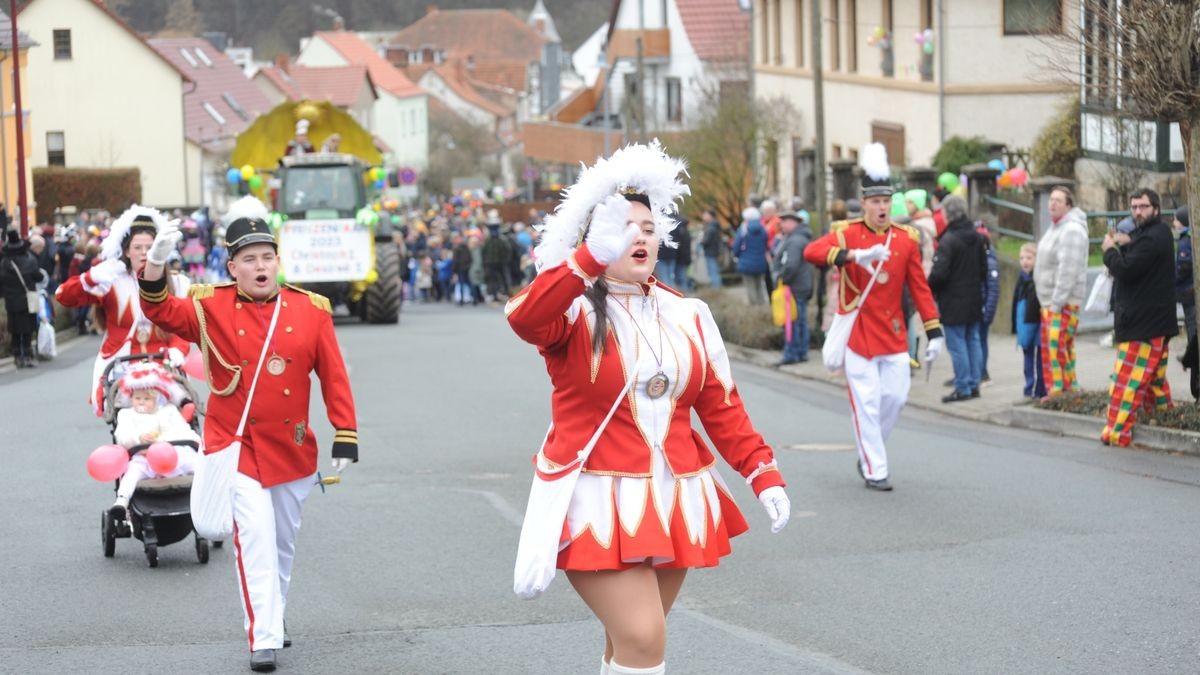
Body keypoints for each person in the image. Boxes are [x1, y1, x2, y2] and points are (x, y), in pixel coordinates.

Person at [506, 141, 790, 675]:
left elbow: (720, 404)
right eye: (624, 226)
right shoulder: (570, 308)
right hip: (595, 496)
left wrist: (762, 472)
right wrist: (586, 259)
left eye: (647, 225)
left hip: (676, 496)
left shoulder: (690, 313)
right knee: (644, 637)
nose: (639, 234)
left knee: (629, 645)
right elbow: (523, 318)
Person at [138, 196, 359, 672]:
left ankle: (272, 617)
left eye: (267, 257)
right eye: (249, 259)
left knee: (281, 542)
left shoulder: (311, 310)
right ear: (232, 266)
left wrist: (345, 432)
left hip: (293, 447)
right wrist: (156, 264)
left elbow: (334, 376)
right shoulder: (209, 306)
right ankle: (263, 636)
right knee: (254, 536)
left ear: (277, 261)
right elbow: (159, 310)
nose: (260, 266)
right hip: (234, 443)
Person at [804, 143, 943, 491]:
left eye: (886, 201)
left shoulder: (907, 239)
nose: (882, 207)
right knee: (865, 403)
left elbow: (919, 288)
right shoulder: (847, 232)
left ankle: (870, 449)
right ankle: (875, 468)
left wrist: (934, 331)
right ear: (864, 203)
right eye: (875, 202)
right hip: (859, 334)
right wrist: (853, 256)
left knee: (895, 398)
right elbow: (812, 251)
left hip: (893, 332)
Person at [55, 206, 191, 414]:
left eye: (151, 247)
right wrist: (90, 278)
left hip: (164, 365)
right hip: (121, 367)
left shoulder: (177, 283)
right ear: (127, 251)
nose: (145, 253)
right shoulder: (111, 280)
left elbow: (184, 328)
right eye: (138, 247)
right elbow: (63, 296)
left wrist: (178, 350)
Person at [1099, 188, 1177, 447]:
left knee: (1126, 381)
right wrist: (1128, 243)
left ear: (1156, 208)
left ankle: (1116, 433)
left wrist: (1109, 250)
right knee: (1154, 380)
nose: (1137, 211)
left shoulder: (1153, 237)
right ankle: (1165, 419)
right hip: (1153, 321)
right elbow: (1142, 253)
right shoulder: (1157, 234)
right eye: (1133, 207)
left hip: (1142, 323)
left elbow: (1127, 269)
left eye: (1143, 206)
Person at [109, 362, 201, 518]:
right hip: (144, 458)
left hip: (173, 456)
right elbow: (122, 436)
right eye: (137, 398)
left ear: (159, 399)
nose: (141, 402)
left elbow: (184, 431)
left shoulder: (169, 412)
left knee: (197, 463)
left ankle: (211, 494)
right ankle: (122, 501)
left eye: (147, 398)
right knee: (131, 472)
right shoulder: (127, 415)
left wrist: (188, 441)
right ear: (131, 399)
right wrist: (138, 439)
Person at [927, 195, 987, 403]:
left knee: (957, 344)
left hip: (953, 299)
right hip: (973, 297)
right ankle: (974, 384)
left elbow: (940, 274)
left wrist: (930, 286)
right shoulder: (977, 237)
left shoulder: (949, 240)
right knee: (973, 340)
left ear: (947, 214)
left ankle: (962, 386)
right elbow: (983, 269)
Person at [1034, 186, 1088, 399]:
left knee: (1057, 347)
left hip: (1063, 302)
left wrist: (1057, 302)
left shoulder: (1071, 229)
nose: (1052, 204)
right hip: (1049, 300)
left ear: (1068, 205)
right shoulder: (1056, 226)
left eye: (1058, 200)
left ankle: (1061, 390)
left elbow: (1068, 270)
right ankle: (1062, 389)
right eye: (1051, 200)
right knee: (1053, 347)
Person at [0, 228, 46, 368]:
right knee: (27, 328)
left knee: (14, 329)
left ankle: (17, 356)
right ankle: (27, 355)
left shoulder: (4, 264)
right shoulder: (29, 261)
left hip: (11, 302)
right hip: (27, 300)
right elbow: (39, 276)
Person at [772, 210, 813, 366]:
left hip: (794, 287)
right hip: (801, 285)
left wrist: (781, 277)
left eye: (783, 222)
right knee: (800, 321)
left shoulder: (794, 240)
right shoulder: (799, 238)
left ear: (792, 222)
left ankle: (791, 354)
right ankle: (801, 352)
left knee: (792, 322)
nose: (781, 225)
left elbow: (791, 265)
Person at [1012, 243, 1046, 398]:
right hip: (1025, 323)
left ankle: (1040, 389)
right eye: (1022, 258)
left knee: (1040, 358)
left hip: (1038, 322)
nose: (1025, 261)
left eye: (1029, 258)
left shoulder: (1040, 278)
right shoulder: (1021, 278)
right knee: (1027, 357)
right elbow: (1015, 303)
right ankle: (1028, 387)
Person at [732, 207, 769, 306]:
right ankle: (763, 307)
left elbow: (736, 247)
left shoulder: (743, 230)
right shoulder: (763, 229)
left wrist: (736, 255)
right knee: (760, 286)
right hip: (761, 263)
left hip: (746, 264)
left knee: (750, 287)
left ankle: (754, 308)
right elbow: (766, 245)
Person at [699, 209, 723, 288]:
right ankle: (717, 287)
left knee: (713, 271)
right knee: (714, 270)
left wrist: (701, 241)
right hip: (714, 251)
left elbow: (706, 240)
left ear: (710, 216)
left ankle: (716, 288)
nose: (703, 217)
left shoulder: (710, 227)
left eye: (705, 215)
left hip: (710, 252)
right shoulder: (715, 225)